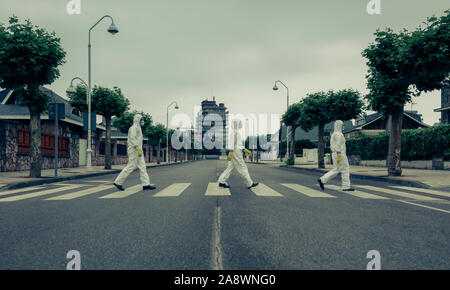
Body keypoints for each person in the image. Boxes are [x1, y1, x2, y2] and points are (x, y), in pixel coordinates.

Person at [114, 114, 155, 191]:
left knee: (142, 167)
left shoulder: (138, 128)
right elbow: (132, 139)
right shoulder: (133, 128)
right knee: (131, 166)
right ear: (137, 119)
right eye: (141, 119)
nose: (142, 121)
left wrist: (139, 149)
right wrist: (137, 147)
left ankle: (146, 184)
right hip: (134, 149)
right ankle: (118, 182)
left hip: (138, 150)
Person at [218, 119, 258, 189]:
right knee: (242, 167)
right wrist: (231, 151)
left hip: (234, 151)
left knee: (230, 167)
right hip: (236, 152)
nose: (241, 124)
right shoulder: (235, 132)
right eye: (239, 123)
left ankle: (222, 181)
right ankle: (250, 183)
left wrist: (244, 149)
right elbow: (233, 143)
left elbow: (237, 143)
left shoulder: (235, 132)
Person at [318, 120, 354, 191]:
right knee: (345, 169)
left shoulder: (334, 134)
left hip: (334, 154)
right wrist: (339, 155)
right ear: (340, 125)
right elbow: (338, 145)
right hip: (340, 154)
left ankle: (322, 179)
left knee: (336, 169)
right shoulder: (339, 134)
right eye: (342, 125)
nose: (343, 126)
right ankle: (346, 186)